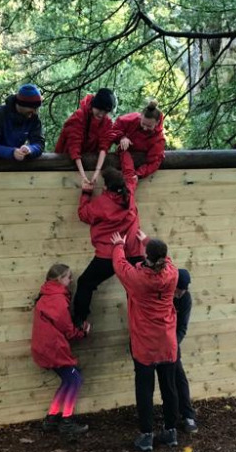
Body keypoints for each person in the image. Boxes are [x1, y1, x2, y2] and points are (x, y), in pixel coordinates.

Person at [109, 232, 180, 452]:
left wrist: (119, 244)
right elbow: (166, 260)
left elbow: (120, 266)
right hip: (167, 342)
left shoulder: (138, 279)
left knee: (144, 389)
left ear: (145, 256)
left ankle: (146, 436)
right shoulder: (172, 274)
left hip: (145, 344)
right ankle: (171, 433)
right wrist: (147, 240)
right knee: (169, 388)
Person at [72, 148, 145, 326]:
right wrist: (124, 151)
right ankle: (142, 323)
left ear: (105, 187)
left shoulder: (102, 204)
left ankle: (79, 321)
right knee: (135, 290)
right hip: (134, 251)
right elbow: (129, 171)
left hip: (110, 253)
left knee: (85, 283)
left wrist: (86, 193)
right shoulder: (129, 190)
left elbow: (83, 215)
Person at [30, 264, 90, 435]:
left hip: (44, 347)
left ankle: (52, 418)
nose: (71, 280)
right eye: (69, 277)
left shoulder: (47, 294)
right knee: (75, 380)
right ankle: (67, 421)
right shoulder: (57, 299)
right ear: (59, 279)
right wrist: (83, 333)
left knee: (69, 380)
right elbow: (68, 329)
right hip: (53, 348)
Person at [54, 88, 117, 186]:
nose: (101, 114)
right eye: (99, 110)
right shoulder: (79, 117)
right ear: (94, 105)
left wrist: (96, 172)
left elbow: (104, 147)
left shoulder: (106, 122)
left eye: (105, 112)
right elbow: (75, 149)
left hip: (89, 163)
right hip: (67, 162)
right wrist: (83, 177)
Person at [106, 99, 166, 179]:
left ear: (157, 123)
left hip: (139, 166)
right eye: (143, 124)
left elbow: (154, 162)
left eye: (149, 126)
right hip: (123, 155)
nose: (145, 128)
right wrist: (122, 137)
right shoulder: (131, 119)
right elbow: (113, 130)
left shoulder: (159, 139)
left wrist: (139, 174)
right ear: (141, 116)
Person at [0, 83, 46, 161]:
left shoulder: (34, 118)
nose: (33, 113)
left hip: (18, 166)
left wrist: (30, 149)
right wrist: (12, 152)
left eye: (36, 109)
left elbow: (39, 144)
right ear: (21, 105)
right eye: (30, 110)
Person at [173, 269, 198, 433]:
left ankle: (188, 415)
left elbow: (182, 327)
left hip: (171, 343)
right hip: (151, 342)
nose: (180, 293)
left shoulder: (185, 298)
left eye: (183, 290)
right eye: (178, 289)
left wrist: (173, 343)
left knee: (179, 378)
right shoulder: (163, 294)